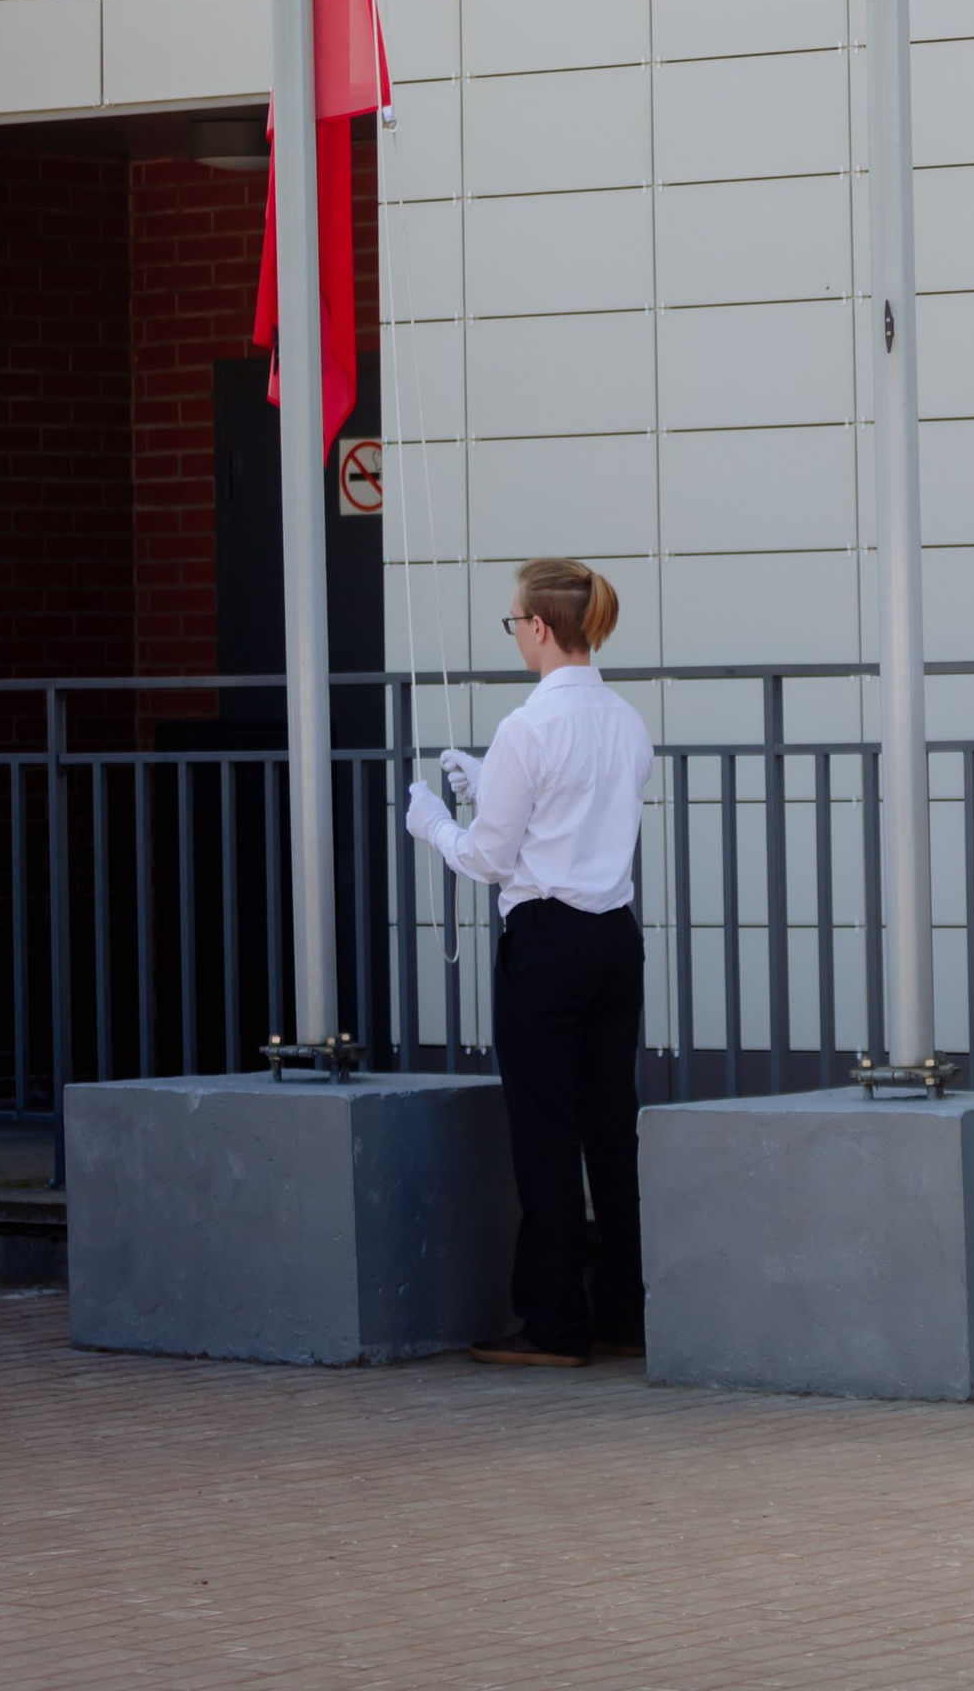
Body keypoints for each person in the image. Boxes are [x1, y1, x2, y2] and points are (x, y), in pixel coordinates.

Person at [406, 556, 654, 1371]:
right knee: (610, 1129)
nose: (515, 634)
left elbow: (486, 857)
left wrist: (434, 822)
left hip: (547, 945)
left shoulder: (527, 726)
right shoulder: (625, 719)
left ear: (540, 628)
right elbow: (570, 817)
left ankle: (553, 1322)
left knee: (545, 1133)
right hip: (614, 937)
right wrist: (486, 782)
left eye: (515, 622)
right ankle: (623, 1309)